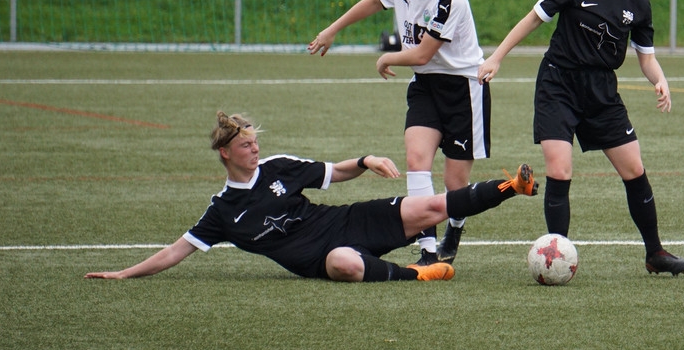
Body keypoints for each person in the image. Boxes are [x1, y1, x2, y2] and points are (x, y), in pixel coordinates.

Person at [478, 0, 684, 277]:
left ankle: (655, 253)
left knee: (634, 169)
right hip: (558, 84)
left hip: (601, 92)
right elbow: (533, 18)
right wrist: (497, 57)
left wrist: (660, 80)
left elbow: (646, 56)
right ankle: (555, 254)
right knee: (559, 169)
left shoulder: (638, 2)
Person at [85, 111, 537, 282]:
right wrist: (125, 273)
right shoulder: (222, 212)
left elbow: (333, 173)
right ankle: (417, 274)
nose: (255, 149)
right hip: (321, 258)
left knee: (432, 206)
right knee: (346, 263)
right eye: (245, 145)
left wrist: (364, 161)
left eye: (255, 142)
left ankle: (512, 187)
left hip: (344, 221)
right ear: (226, 154)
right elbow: (176, 251)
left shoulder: (278, 167)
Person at [308, 0, 486, 266]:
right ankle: (428, 251)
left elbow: (421, 54)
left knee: (455, 183)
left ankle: (456, 226)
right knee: (417, 160)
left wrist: (387, 56)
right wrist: (332, 30)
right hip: (425, 86)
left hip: (463, 87)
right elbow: (375, 1)